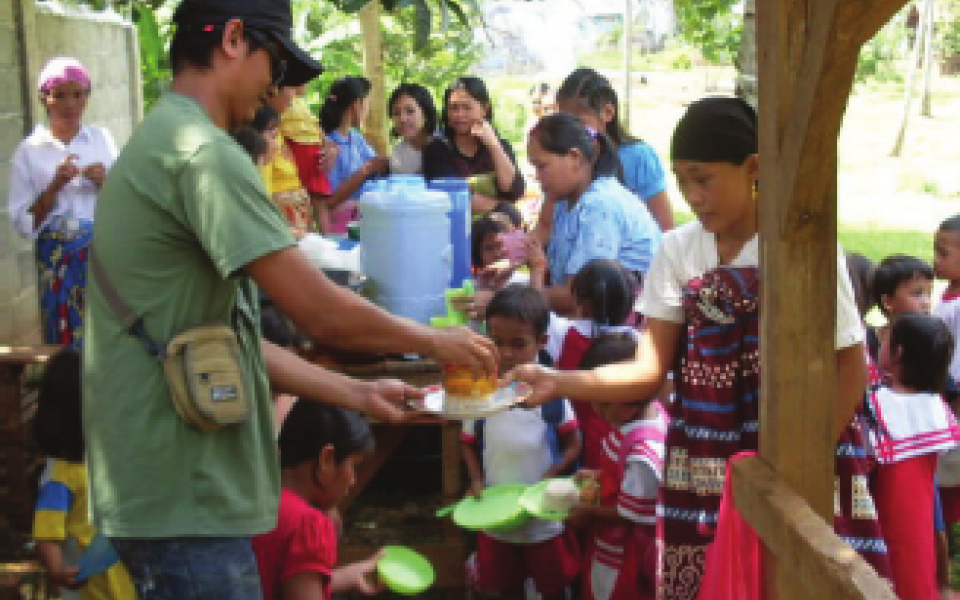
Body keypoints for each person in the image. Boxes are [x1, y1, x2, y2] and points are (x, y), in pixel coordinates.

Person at [82, 1, 496, 598]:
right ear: (231, 40)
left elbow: (232, 344)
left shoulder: (162, 138)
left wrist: (356, 392)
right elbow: (319, 311)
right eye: (272, 67)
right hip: (186, 494)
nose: (276, 92)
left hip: (162, 487)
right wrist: (435, 340)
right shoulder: (204, 155)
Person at [508, 97, 889, 599]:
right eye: (682, 180)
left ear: (753, 169)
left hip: (803, 456)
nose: (692, 195)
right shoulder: (679, 250)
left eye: (703, 179)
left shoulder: (804, 251)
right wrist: (560, 381)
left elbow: (850, 367)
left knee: (800, 578)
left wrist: (801, 460)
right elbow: (649, 370)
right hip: (705, 459)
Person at [461, 285, 581, 600]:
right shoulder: (482, 393)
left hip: (543, 518)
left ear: (542, 342)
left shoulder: (551, 393)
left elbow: (574, 444)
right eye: (497, 342)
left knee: (552, 586)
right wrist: (476, 479)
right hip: (496, 514)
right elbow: (467, 441)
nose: (507, 354)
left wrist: (550, 479)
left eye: (519, 344)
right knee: (506, 586)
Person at [7, 57, 117, 347]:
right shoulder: (30, 152)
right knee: (65, 336)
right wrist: (54, 187)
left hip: (102, 256)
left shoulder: (101, 141)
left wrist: (105, 182)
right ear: (45, 99)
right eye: (61, 95)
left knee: (105, 332)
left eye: (78, 94)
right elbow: (22, 223)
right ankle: (68, 387)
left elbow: (126, 200)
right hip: (58, 262)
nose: (71, 104)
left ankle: (106, 389)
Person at [530, 113, 660, 315]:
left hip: (626, 326)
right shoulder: (566, 201)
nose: (537, 177)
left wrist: (510, 299)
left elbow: (577, 299)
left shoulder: (599, 205)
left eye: (542, 166)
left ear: (575, 158)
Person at [32, 348, 136, 600]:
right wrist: (58, 571)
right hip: (87, 584)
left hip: (119, 576)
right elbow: (47, 532)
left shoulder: (103, 459)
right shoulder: (61, 474)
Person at [252, 401, 383, 600]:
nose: (353, 479)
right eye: (354, 466)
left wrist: (347, 576)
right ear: (327, 459)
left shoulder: (255, 500)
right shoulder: (307, 524)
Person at [569, 333, 666, 600]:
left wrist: (589, 513)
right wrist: (599, 475)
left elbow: (631, 512)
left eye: (602, 402)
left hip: (626, 554)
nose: (595, 409)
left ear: (629, 402)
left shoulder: (642, 454)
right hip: (611, 542)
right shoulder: (641, 417)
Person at [869, 312, 958, 600]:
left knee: (894, 569)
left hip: (887, 514)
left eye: (886, 338)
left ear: (899, 352)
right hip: (922, 514)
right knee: (919, 563)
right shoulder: (934, 406)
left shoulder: (879, 404)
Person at [545, 259, 640, 471]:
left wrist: (536, 270)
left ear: (583, 305)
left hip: (577, 437)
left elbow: (535, 308)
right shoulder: (637, 342)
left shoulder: (564, 333)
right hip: (627, 437)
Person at [555, 68, 673, 232]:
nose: (570, 132)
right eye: (563, 122)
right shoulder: (561, 161)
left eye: (579, 123)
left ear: (608, 112)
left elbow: (665, 229)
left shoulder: (639, 157)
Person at [423, 76, 525, 213]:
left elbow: (513, 190)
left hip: (502, 225)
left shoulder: (501, 146)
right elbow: (453, 195)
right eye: (453, 108)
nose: (459, 114)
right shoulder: (437, 149)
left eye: (467, 107)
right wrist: (502, 207)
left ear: (485, 109)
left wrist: (494, 146)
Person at [321, 76, 390, 235]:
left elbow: (377, 165)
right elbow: (329, 201)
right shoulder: (328, 144)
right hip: (341, 227)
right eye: (367, 102)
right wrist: (366, 170)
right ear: (356, 105)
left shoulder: (356, 138)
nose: (368, 109)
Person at [870, 254, 934, 357]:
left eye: (929, 294)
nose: (926, 302)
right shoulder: (866, 343)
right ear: (888, 302)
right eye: (917, 294)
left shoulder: (929, 343)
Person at [388, 83, 438, 175]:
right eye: (396, 113)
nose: (402, 119)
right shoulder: (398, 154)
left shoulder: (445, 146)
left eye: (410, 111)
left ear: (426, 114)